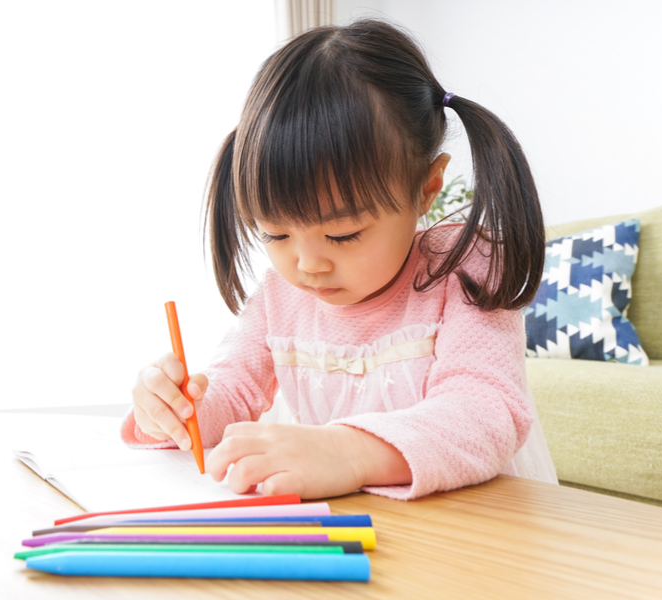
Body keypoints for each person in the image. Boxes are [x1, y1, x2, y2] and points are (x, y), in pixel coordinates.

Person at [123, 19, 558, 500]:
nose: (307, 264)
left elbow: (484, 411)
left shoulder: (465, 266)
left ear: (426, 190)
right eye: (276, 231)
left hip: (474, 527)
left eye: (343, 234)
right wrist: (172, 411)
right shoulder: (279, 297)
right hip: (358, 532)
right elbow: (230, 393)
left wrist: (347, 452)